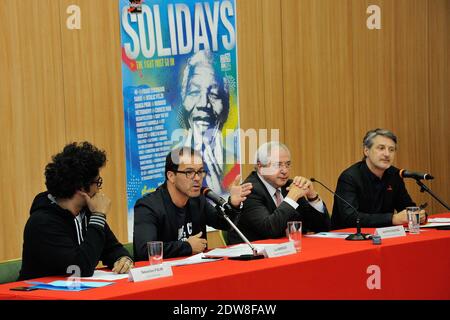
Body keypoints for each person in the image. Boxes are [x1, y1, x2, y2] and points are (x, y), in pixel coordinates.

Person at [19, 142, 133, 281]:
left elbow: (113, 249)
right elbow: (80, 268)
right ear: (81, 188)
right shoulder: (42, 223)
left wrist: (123, 259)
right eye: (97, 183)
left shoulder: (87, 212)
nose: (98, 190)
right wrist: (98, 215)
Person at [133, 147, 252, 261]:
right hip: (161, 276)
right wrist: (187, 246)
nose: (197, 178)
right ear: (171, 176)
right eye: (189, 172)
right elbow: (144, 250)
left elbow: (224, 224)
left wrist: (233, 204)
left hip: (195, 272)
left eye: (200, 172)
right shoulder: (148, 207)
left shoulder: (197, 200)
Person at [227, 142, 331, 244]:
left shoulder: (289, 186)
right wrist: (291, 199)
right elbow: (270, 230)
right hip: (255, 256)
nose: (285, 171)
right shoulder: (249, 190)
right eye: (278, 165)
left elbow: (322, 227)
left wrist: (312, 197)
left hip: (289, 251)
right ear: (260, 167)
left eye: (288, 164)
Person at [331, 128, 427, 229]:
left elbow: (407, 207)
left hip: (385, 236)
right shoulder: (349, 177)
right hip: (349, 238)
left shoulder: (395, 175)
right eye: (381, 148)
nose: (387, 154)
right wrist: (392, 219)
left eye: (391, 150)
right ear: (366, 151)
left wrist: (419, 215)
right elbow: (350, 217)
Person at [177, 50, 232, 195]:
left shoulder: (235, 162)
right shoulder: (171, 161)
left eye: (213, 94)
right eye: (194, 92)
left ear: (225, 106)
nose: (203, 103)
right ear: (184, 99)